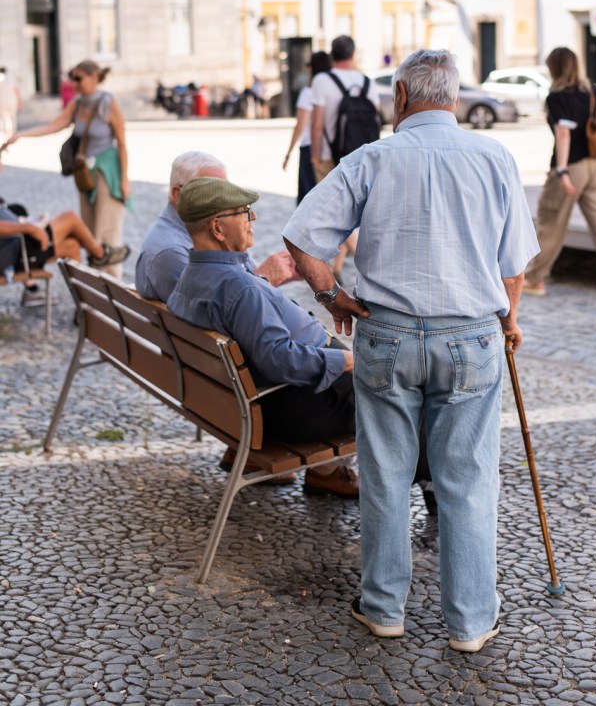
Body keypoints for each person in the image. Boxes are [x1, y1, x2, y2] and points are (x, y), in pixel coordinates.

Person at [282, 48, 539, 652]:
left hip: (387, 334)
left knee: (386, 472)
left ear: (399, 98)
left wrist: (331, 296)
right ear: (452, 98)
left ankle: (383, 608)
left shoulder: (372, 158)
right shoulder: (493, 156)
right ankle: (472, 622)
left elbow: (301, 235)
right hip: (472, 334)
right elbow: (514, 262)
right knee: (468, 479)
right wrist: (511, 319)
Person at [167, 176, 359, 497]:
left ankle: (327, 473)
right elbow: (280, 360)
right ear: (217, 228)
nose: (252, 218)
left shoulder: (189, 277)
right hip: (288, 412)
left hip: (230, 404)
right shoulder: (238, 288)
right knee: (393, 383)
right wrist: (347, 360)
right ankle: (427, 481)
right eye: (244, 212)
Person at [523, 47, 596, 303]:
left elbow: (563, 133)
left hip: (570, 167)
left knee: (550, 224)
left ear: (554, 68)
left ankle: (533, 279)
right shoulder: (593, 91)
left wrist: (561, 170)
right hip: (595, 166)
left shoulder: (557, 96)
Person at [2, 60, 130, 279]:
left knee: (106, 231)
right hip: (84, 174)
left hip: (107, 172)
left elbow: (122, 143)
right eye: (73, 78)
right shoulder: (77, 104)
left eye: (79, 78)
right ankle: (96, 291)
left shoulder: (108, 103)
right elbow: (53, 126)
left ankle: (111, 283)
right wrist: (21, 135)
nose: (75, 84)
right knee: (89, 231)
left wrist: (124, 180)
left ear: (94, 77)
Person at [136, 150, 299, 302]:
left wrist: (283, 270)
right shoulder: (172, 252)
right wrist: (264, 278)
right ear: (178, 195)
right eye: (211, 191)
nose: (225, 201)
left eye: (225, 190)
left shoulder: (206, 231)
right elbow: (220, 308)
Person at [309, 35, 381, 279]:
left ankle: (373, 266)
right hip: (361, 156)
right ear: (353, 54)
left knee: (335, 213)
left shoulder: (322, 80)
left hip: (331, 156)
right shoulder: (367, 82)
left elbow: (317, 124)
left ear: (332, 54)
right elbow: (376, 118)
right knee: (349, 210)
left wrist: (315, 156)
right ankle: (336, 268)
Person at [0, 199, 130, 280]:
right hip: (16, 249)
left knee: (72, 246)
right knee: (70, 218)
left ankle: (84, 310)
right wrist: (29, 228)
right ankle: (100, 254)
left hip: (16, 246)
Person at [282, 51, 332, 204]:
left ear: (313, 69)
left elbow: (300, 126)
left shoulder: (308, 93)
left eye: (309, 65)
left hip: (310, 149)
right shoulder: (332, 89)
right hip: (331, 149)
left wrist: (288, 154)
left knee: (308, 199)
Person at [0, 67, 21, 140]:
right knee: (12, 117)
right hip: (12, 100)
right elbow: (17, 91)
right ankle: (12, 133)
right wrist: (19, 102)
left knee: (2, 118)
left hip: (2, 101)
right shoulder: (12, 78)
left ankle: (4, 132)